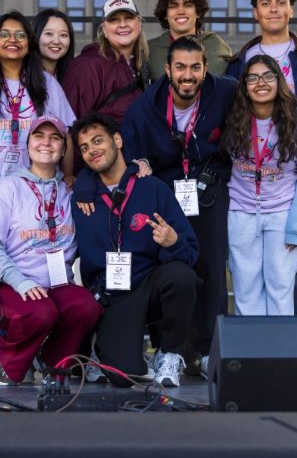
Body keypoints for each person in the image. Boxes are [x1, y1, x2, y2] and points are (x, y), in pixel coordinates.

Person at [120, 36, 236, 380]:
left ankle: (206, 351)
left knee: (213, 269)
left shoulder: (226, 92)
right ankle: (170, 349)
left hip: (209, 187)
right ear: (167, 69)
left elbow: (267, 98)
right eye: (181, 67)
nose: (188, 75)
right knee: (171, 267)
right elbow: (130, 154)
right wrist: (137, 164)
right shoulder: (145, 106)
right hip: (166, 191)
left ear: (205, 69)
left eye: (195, 67)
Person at [226, 0, 297, 315]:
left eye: (280, 2)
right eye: (265, 3)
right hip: (246, 194)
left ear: (292, 10)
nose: (273, 9)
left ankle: (287, 344)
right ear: (255, 13)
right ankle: (254, 353)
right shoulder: (239, 61)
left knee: (287, 271)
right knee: (247, 277)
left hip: (295, 182)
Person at [71, 113, 200, 388]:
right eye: (84, 147)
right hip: (111, 295)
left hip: (149, 284)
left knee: (181, 277)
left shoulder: (153, 188)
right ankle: (105, 350)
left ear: (117, 140)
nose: (92, 150)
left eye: (97, 141)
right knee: (122, 374)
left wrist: (173, 241)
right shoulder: (81, 199)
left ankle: (170, 354)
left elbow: (190, 253)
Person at [0, 115, 102, 386]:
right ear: (28, 144)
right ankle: (5, 359)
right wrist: (20, 281)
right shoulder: (7, 188)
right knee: (41, 312)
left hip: (56, 285)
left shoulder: (72, 193)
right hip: (11, 285)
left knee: (86, 306)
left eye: (55, 138)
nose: (46, 143)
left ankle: (52, 363)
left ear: (64, 148)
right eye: (39, 136)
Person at [0, 11, 76, 218]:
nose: (12, 40)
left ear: (29, 45)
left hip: (39, 186)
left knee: (32, 248)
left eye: (20, 35)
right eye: (5, 34)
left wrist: (68, 175)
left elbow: (66, 135)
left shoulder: (47, 84)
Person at [222, 55, 297, 315]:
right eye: (252, 77)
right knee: (245, 290)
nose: (260, 83)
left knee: (280, 288)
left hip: (282, 215)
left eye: (268, 76)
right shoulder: (231, 119)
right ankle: (252, 353)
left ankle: (279, 354)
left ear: (279, 81)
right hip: (241, 213)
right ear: (244, 85)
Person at [61, 0, 150, 123]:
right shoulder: (88, 64)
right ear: (104, 29)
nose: (123, 24)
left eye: (129, 18)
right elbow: (70, 123)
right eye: (114, 20)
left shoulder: (137, 64)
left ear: (139, 24)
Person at [147, 0, 232, 77]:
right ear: (165, 14)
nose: (181, 11)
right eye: (173, 6)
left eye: (188, 5)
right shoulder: (150, 49)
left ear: (198, 12)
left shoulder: (215, 45)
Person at [34, 8, 75, 83]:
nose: (56, 41)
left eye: (63, 35)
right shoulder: (22, 77)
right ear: (36, 36)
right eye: (49, 34)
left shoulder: (72, 76)